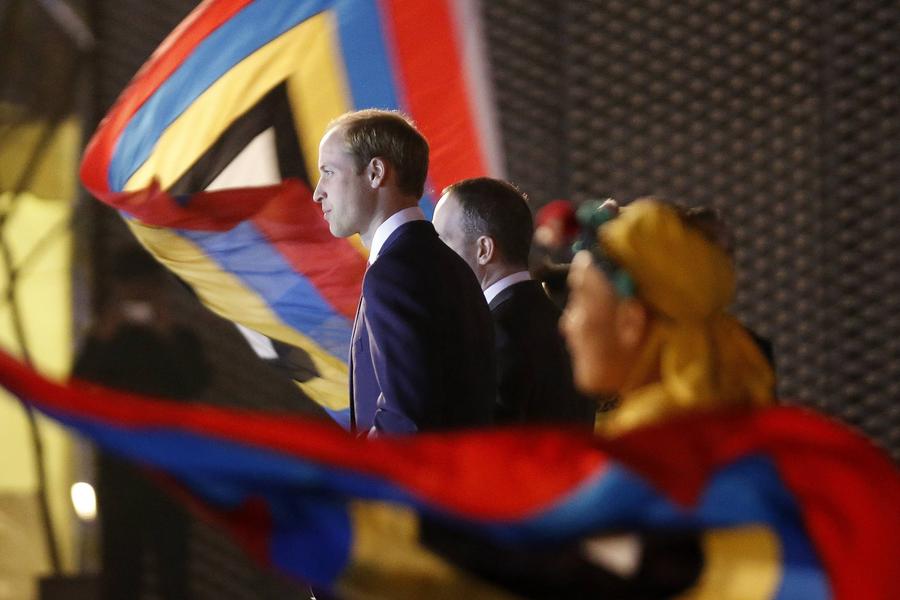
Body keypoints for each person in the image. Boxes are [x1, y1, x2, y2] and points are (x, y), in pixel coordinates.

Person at [312, 109, 495, 435]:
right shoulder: (448, 263)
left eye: (328, 172)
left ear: (376, 172)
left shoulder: (394, 272)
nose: (318, 192)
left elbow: (405, 421)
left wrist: (355, 479)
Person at [560, 198, 775, 435]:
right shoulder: (735, 399)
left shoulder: (647, 444)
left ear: (630, 321)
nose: (565, 325)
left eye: (578, 299)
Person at [73, 247, 210, 600]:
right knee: (121, 568)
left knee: (173, 566)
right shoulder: (108, 338)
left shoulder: (177, 337)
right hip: (120, 468)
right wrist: (102, 335)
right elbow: (77, 388)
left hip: (171, 467)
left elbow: (197, 382)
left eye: (145, 289)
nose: (138, 297)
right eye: (130, 290)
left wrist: (166, 333)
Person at [432, 177, 594, 427]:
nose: (435, 255)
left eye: (443, 241)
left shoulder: (494, 334)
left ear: (484, 250)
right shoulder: (557, 319)